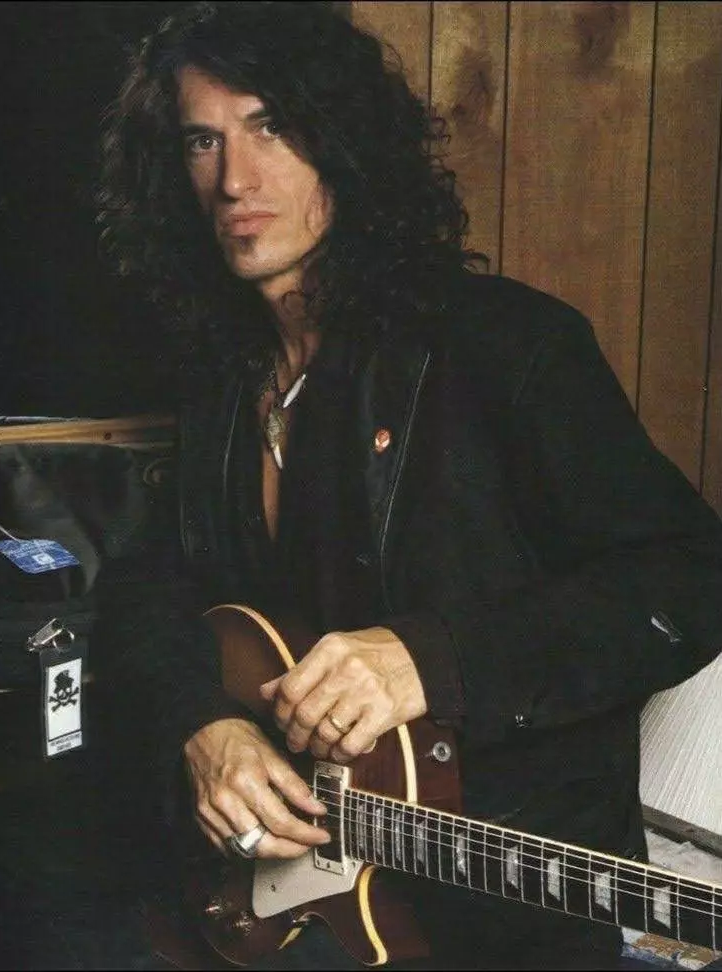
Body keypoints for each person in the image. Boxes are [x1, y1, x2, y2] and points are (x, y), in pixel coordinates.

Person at [94, 2, 722, 970]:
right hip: (300, 903)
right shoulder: (221, 375)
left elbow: (687, 580)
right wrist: (202, 726)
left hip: (500, 902)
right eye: (201, 140)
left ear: (343, 143)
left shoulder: (507, 344)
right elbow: (147, 589)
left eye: (272, 126)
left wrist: (430, 660)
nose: (234, 179)